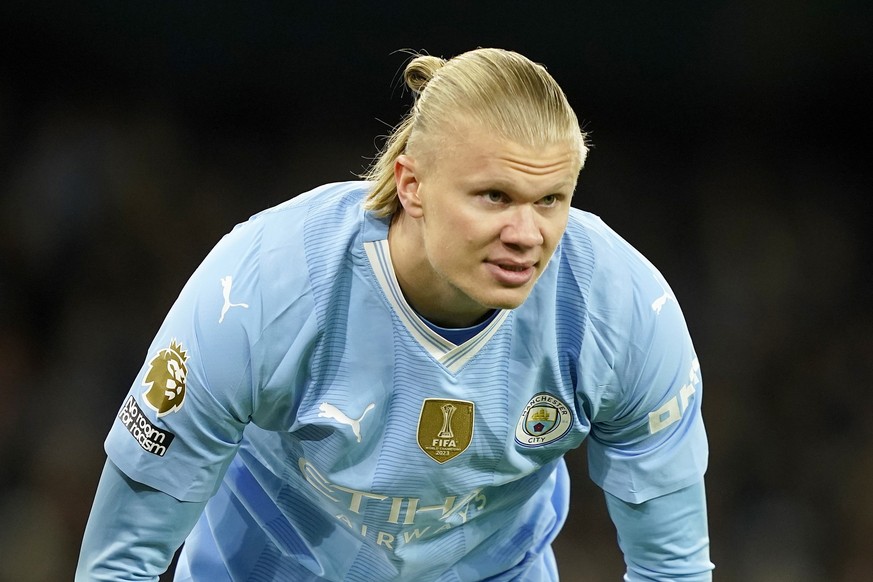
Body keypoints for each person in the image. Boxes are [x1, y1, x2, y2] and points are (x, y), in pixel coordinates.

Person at [76, 48, 713, 581]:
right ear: (411, 185)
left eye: (551, 199)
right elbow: (121, 561)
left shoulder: (622, 310)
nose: (528, 233)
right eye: (495, 196)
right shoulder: (264, 287)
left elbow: (673, 570)